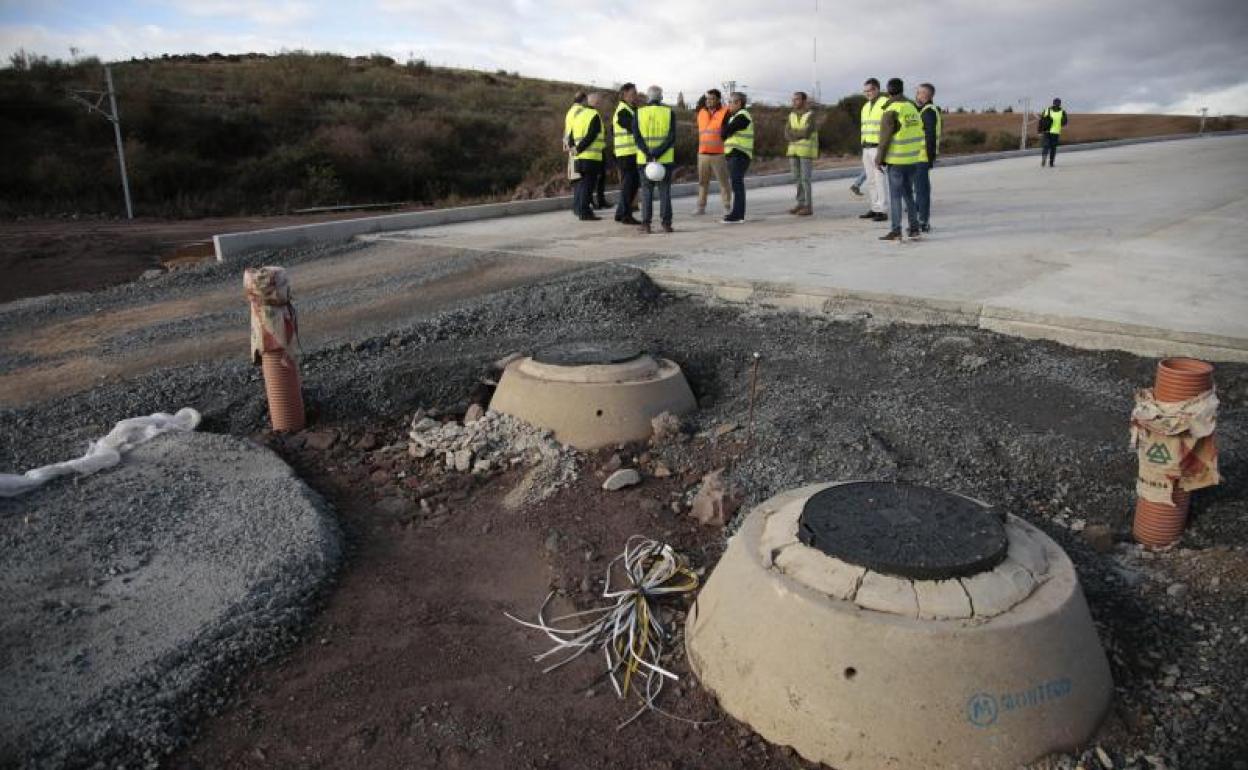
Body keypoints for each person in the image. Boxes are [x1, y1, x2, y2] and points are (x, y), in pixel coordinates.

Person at [875, 77, 927, 241]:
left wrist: (878, 159)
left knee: (895, 197)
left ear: (888, 90)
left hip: (896, 160)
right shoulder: (911, 107)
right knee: (909, 195)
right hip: (912, 158)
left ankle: (896, 230)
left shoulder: (891, 109)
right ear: (902, 89)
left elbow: (884, 138)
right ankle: (914, 229)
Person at [633, 85, 676, 234]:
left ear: (648, 97)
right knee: (665, 191)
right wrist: (658, 153)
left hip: (644, 160)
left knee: (646, 192)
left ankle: (646, 225)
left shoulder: (638, 113)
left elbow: (637, 137)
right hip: (665, 160)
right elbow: (671, 137)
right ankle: (666, 224)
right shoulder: (669, 112)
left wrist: (649, 153)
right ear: (661, 97)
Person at [694, 89, 732, 215]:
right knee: (702, 182)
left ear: (718, 100)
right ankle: (701, 207)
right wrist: (705, 94)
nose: (709, 101)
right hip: (703, 154)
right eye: (708, 99)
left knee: (723, 182)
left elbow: (728, 130)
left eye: (712, 99)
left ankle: (727, 207)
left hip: (718, 154)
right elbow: (700, 101)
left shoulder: (725, 112)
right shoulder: (701, 111)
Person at [569, 92, 606, 221]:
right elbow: (591, 135)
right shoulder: (594, 115)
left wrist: (575, 150)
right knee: (588, 186)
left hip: (579, 157)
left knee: (581, 184)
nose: (601, 103)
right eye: (600, 101)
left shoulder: (579, 115)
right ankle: (585, 212)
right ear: (595, 102)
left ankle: (580, 209)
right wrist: (579, 149)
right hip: (591, 157)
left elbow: (570, 136)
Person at [858, 78, 889, 222]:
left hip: (878, 148)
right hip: (866, 148)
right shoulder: (865, 106)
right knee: (871, 180)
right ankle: (874, 207)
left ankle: (882, 210)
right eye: (865, 91)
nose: (867, 93)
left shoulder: (885, 103)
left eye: (869, 90)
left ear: (877, 89)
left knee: (879, 180)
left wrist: (883, 149)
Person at [721, 92, 753, 223]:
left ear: (739, 103)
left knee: (737, 185)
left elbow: (726, 130)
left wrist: (726, 130)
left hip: (740, 154)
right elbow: (723, 132)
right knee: (736, 184)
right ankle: (737, 214)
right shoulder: (733, 116)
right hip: (733, 154)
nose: (728, 105)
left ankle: (738, 215)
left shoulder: (743, 116)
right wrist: (726, 128)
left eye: (730, 102)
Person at [612, 83, 641, 225]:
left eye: (636, 93)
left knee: (631, 185)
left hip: (632, 153)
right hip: (626, 154)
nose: (636, 95)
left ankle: (620, 212)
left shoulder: (632, 109)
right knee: (629, 185)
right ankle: (626, 215)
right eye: (633, 93)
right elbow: (633, 127)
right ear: (624, 94)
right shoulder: (622, 111)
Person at [785, 91, 818, 215]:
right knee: (796, 179)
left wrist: (795, 133)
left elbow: (807, 133)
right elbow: (786, 133)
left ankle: (808, 206)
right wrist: (797, 133)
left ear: (804, 101)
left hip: (805, 151)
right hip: (793, 151)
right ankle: (800, 203)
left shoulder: (811, 115)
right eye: (793, 99)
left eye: (797, 99)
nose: (794, 102)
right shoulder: (791, 115)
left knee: (805, 179)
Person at [914, 82, 941, 233]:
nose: (917, 95)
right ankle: (920, 219)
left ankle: (923, 222)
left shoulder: (928, 112)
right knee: (920, 191)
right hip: (919, 157)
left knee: (922, 191)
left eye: (920, 92)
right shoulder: (923, 110)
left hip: (922, 157)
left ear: (928, 95)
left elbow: (930, 136)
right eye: (917, 92)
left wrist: (930, 159)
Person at [1039, 97, 1068, 167]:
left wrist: (1040, 131)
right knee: (1053, 148)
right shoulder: (1062, 112)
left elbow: (1041, 121)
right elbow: (1064, 122)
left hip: (1046, 131)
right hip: (1055, 132)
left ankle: (1044, 158)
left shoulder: (1047, 110)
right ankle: (1051, 163)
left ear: (1053, 103)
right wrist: (1060, 123)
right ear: (1060, 104)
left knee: (1045, 146)